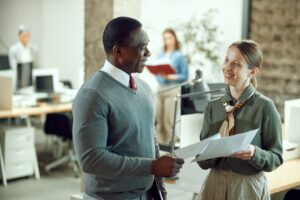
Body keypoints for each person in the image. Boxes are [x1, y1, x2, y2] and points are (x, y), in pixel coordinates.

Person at [72, 17, 184, 200]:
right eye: (141, 47)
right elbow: (91, 159)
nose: (148, 53)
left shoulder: (144, 88)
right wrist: (153, 166)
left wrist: (160, 191)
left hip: (148, 194)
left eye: (147, 46)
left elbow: (152, 142)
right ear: (118, 51)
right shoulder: (92, 94)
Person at [197, 40, 283, 200]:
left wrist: (254, 153)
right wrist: (207, 153)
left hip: (248, 188)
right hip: (214, 185)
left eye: (236, 64)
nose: (227, 68)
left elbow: (276, 158)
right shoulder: (212, 106)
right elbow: (202, 162)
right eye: (226, 60)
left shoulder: (265, 107)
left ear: (253, 72)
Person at [155, 28, 188, 145]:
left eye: (169, 38)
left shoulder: (179, 56)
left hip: (173, 89)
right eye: (165, 38)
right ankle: (160, 144)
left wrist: (170, 76)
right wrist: (158, 73)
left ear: (174, 39)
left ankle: (171, 144)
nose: (167, 41)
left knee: (169, 120)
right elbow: (158, 74)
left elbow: (184, 75)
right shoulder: (160, 54)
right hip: (160, 88)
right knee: (159, 119)